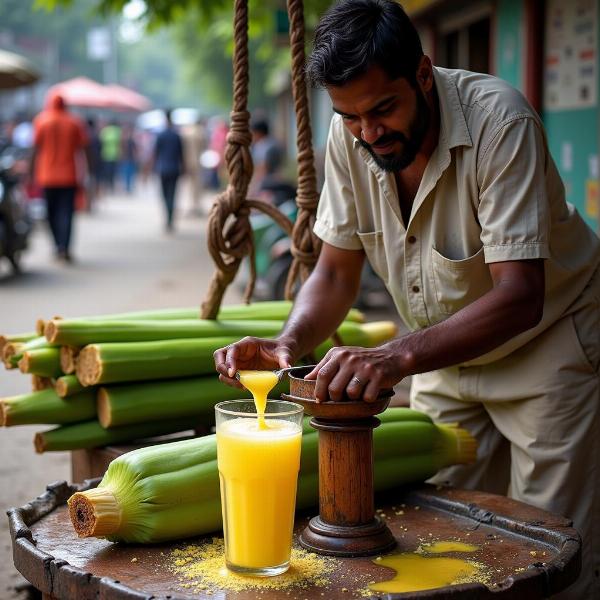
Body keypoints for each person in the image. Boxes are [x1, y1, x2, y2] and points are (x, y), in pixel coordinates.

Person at [214, 1, 600, 597]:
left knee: (546, 549)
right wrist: (288, 343)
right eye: (350, 117)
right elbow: (336, 272)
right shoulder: (350, 139)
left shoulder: (501, 123)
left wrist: (393, 358)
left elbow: (521, 297)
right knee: (442, 532)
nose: (369, 132)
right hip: (445, 357)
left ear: (423, 74)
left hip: (549, 347)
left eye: (383, 109)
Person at [30, 93, 89, 262]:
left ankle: (58, 245)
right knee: (66, 213)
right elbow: (84, 149)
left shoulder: (41, 121)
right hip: (69, 176)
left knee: (51, 213)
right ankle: (64, 246)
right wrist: (88, 173)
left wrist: (30, 173)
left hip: (47, 177)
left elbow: (35, 149)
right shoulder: (74, 122)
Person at [154, 109, 184, 231]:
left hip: (163, 169)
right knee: (173, 195)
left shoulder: (160, 135)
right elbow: (181, 155)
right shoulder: (177, 135)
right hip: (174, 169)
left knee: (165, 195)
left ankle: (168, 218)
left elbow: (155, 153)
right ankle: (170, 219)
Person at [249, 117, 284, 197]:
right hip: (278, 179)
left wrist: (254, 188)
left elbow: (262, 168)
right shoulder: (274, 143)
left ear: (258, 132)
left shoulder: (263, 146)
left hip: (267, 184)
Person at [99, 120, 121, 193]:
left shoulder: (105, 131)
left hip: (105, 155)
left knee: (107, 172)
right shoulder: (117, 131)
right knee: (113, 172)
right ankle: (111, 185)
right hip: (114, 155)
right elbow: (120, 143)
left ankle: (107, 185)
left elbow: (101, 142)